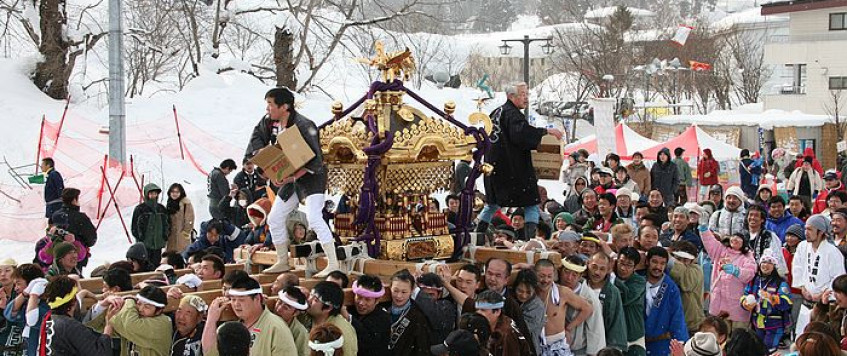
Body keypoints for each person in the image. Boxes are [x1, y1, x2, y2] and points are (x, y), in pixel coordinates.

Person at [252, 88, 337, 277]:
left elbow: (315, 160)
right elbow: (256, 141)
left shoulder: (305, 124)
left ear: (285, 107)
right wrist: (265, 166)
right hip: (289, 179)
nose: (267, 109)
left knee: (314, 218)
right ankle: (283, 261)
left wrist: (293, 176)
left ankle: (333, 263)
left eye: (271, 105)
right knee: (274, 218)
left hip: (312, 177)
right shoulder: (270, 124)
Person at [476, 82, 564, 241]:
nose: (526, 98)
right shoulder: (512, 114)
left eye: (527, 94)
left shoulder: (496, 112)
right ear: (511, 96)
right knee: (531, 202)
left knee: (492, 203)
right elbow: (521, 135)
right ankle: (529, 239)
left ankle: (478, 235)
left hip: (494, 168)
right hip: (512, 169)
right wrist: (545, 131)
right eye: (523, 94)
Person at [202, 275, 298, 355]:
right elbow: (210, 353)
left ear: (257, 299)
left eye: (241, 299)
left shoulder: (276, 327)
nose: (236, 304)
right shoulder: (231, 328)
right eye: (233, 299)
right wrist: (211, 319)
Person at [792, 214, 846, 335]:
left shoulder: (832, 251)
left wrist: (822, 295)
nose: (806, 232)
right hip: (806, 300)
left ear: (821, 232)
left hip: (825, 304)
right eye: (805, 229)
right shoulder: (802, 246)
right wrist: (802, 288)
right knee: (802, 334)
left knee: (821, 337)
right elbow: (797, 268)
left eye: (810, 229)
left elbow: (838, 278)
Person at [39, 276, 112, 355]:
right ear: (73, 301)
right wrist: (109, 325)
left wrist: (99, 303)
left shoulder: (49, 318)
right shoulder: (70, 326)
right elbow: (100, 353)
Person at [534, 259, 592, 356]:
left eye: (549, 276)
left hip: (558, 345)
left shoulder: (562, 292)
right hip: (535, 343)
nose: (546, 280)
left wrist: (569, 328)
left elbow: (587, 309)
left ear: (554, 275)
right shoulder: (528, 292)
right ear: (535, 274)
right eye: (542, 276)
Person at [741, 250, 792, 353]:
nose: (766, 265)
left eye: (769, 262)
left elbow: (787, 303)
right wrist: (745, 303)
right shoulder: (755, 280)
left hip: (774, 324)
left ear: (774, 266)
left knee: (769, 351)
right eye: (763, 262)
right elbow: (745, 295)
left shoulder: (780, 283)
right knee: (757, 350)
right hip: (757, 323)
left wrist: (771, 298)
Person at [101, 286, 172, 356]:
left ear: (159, 311)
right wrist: (106, 302)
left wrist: (129, 299)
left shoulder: (163, 323)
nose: (140, 309)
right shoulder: (133, 316)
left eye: (147, 307)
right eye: (139, 304)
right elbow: (111, 322)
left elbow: (130, 325)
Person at [644, 247, 688, 356]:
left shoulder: (671, 287)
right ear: (647, 261)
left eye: (662, 263)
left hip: (661, 343)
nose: (658, 267)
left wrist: (679, 342)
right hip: (639, 340)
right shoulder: (638, 282)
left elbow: (677, 316)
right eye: (654, 262)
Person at [559, 255, 606, 355]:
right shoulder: (553, 288)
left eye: (574, 274)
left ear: (580, 276)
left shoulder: (589, 297)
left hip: (577, 349)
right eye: (566, 272)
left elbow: (596, 329)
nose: (569, 278)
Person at [587, 253, 627, 351]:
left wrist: (613, 349)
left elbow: (617, 322)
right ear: (588, 264)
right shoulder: (579, 286)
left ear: (608, 270)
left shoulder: (613, 292)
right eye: (594, 267)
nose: (597, 272)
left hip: (600, 346)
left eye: (602, 269)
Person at [49, 188, 97, 271]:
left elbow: (50, 232)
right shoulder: (80, 217)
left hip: (58, 253)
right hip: (75, 254)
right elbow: (91, 238)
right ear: (74, 200)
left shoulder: (55, 215)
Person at [385, 269, 430, 356]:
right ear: (390, 288)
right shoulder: (383, 309)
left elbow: (421, 348)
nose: (399, 296)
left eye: (404, 292)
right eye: (395, 290)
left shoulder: (418, 316)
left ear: (412, 291)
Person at [305, 281, 358, 355]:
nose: (309, 300)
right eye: (310, 295)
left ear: (328, 308)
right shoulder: (307, 316)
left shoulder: (341, 330)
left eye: (315, 300)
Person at [474, 290, 532, 356]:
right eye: (477, 309)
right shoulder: (492, 324)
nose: (478, 313)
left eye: (483, 310)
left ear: (497, 311)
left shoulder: (506, 333)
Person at [613, 247, 646, 356]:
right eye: (621, 263)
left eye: (629, 265)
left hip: (633, 335)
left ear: (635, 267)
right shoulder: (608, 278)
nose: (623, 268)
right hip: (614, 335)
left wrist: (612, 277)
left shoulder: (639, 281)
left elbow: (625, 298)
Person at [667, 241, 704, 335]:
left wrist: (669, 259)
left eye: (686, 260)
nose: (682, 263)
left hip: (691, 325)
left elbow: (686, 281)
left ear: (693, 260)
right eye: (678, 259)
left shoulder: (696, 270)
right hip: (671, 324)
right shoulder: (667, 268)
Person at [349, 274, 390, 356]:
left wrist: (349, 318)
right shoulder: (350, 310)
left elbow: (367, 341)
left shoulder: (383, 318)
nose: (361, 303)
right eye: (359, 297)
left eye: (367, 299)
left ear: (377, 300)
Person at [132, 183, 170, 267]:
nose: (153, 195)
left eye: (155, 193)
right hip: (145, 243)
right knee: (145, 263)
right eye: (151, 193)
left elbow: (167, 224)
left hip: (158, 243)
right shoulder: (140, 209)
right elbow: (134, 226)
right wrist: (140, 237)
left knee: (157, 262)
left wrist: (165, 236)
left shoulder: (161, 208)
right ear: (146, 194)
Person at [273, 286, 310, 356]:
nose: (279, 309)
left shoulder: (300, 332)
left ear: (296, 313)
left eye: (285, 308)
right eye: (279, 302)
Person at [165, 183, 195, 254]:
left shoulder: (186, 203)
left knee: (182, 256)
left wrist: (185, 232)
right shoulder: (169, 203)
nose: (174, 194)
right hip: (171, 237)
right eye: (173, 192)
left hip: (182, 237)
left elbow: (190, 219)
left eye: (177, 192)